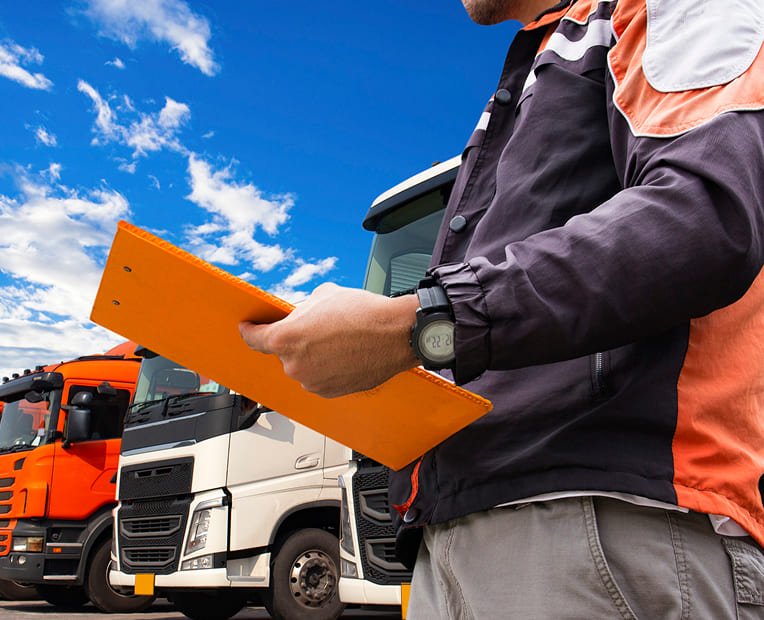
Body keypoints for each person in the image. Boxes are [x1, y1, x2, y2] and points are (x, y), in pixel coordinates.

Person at [241, 0, 764, 617]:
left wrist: (420, 326)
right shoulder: (534, 68)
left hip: (603, 515)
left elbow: (702, 219)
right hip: (469, 526)